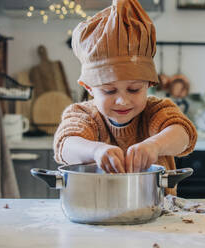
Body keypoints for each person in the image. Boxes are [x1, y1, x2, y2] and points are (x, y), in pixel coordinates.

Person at [53, 0, 197, 195]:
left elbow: (184, 135)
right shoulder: (84, 115)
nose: (122, 100)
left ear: (149, 84)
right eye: (109, 91)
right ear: (89, 88)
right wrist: (96, 151)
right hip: (95, 217)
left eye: (134, 89)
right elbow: (65, 144)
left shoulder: (156, 110)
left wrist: (154, 145)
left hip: (159, 216)